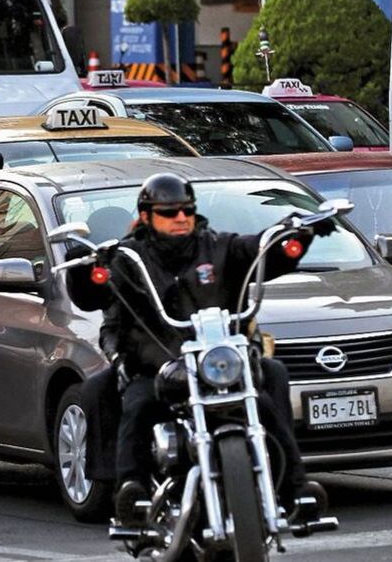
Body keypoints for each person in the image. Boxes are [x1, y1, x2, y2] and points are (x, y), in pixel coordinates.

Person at [67, 173, 333, 527]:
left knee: (272, 378)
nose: (180, 218)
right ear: (146, 216)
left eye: (187, 211)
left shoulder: (220, 247)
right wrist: (86, 271)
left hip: (222, 362)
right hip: (161, 367)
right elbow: (93, 296)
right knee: (138, 403)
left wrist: (297, 234)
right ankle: (132, 490)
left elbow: (262, 252)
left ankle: (295, 487)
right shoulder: (129, 258)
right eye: (169, 212)